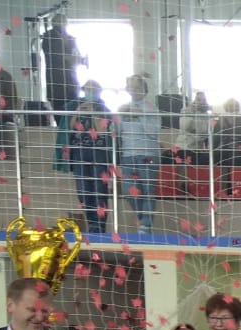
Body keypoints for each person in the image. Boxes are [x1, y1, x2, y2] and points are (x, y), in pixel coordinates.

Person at [117, 75, 161, 233]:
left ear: (144, 90)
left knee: (148, 189)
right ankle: (143, 219)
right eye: (131, 87)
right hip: (128, 155)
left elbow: (154, 132)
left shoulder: (152, 108)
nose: (134, 91)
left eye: (138, 88)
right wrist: (118, 117)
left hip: (148, 155)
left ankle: (145, 226)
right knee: (128, 190)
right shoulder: (123, 108)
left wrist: (141, 114)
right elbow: (115, 132)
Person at [67, 96, 115, 233]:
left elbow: (102, 131)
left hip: (98, 152)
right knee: (83, 191)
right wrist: (77, 112)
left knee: (99, 190)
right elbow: (70, 128)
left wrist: (93, 113)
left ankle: (99, 226)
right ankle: (92, 224)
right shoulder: (77, 106)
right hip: (79, 152)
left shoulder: (103, 109)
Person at [41, 13, 83, 113]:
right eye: (59, 22)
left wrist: (78, 59)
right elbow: (56, 57)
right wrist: (71, 58)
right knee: (60, 115)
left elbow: (77, 55)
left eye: (64, 22)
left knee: (73, 114)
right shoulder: (48, 37)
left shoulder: (71, 38)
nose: (62, 24)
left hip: (72, 84)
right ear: (53, 23)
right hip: (56, 85)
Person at [212, 99, 241, 193]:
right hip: (240, 154)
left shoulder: (220, 121)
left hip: (225, 154)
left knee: (221, 163)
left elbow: (215, 140)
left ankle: (226, 190)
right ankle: (237, 190)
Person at [174, 91, 214, 165]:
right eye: (198, 99)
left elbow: (204, 132)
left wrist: (211, 109)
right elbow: (185, 127)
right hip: (182, 147)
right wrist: (192, 112)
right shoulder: (186, 110)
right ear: (194, 100)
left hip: (197, 148)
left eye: (204, 100)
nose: (201, 102)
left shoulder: (206, 115)